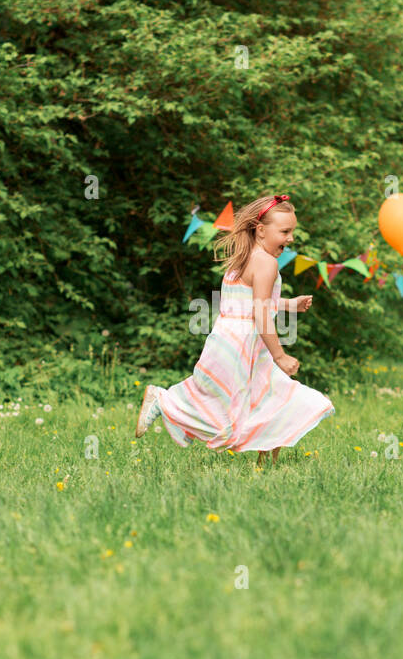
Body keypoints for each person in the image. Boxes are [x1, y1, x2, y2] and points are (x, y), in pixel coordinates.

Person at [135, 194, 334, 466]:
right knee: (232, 414)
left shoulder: (243, 258)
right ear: (261, 230)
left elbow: (249, 300)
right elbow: (261, 312)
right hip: (245, 345)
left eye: (292, 232)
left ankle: (268, 461)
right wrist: (280, 356)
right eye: (285, 232)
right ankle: (163, 400)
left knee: (268, 396)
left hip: (227, 340)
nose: (290, 239)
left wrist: (289, 305)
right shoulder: (266, 262)